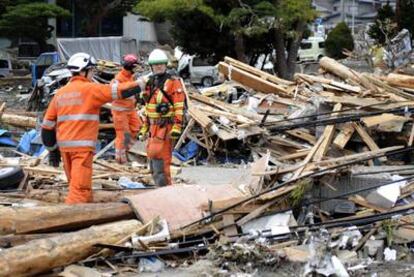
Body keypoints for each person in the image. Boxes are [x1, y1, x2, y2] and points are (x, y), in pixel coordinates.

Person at [41, 52, 145, 204]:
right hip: (81, 150)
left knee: (76, 185)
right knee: (80, 191)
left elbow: (47, 126)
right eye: (91, 71)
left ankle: (85, 216)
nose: (93, 74)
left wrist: (52, 150)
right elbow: (119, 91)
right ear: (84, 71)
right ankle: (72, 221)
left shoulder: (60, 94)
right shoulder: (90, 89)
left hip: (64, 150)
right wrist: (144, 83)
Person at [139, 49, 185, 186]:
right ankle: (160, 189)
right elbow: (148, 107)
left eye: (161, 64)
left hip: (165, 127)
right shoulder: (150, 82)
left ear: (166, 65)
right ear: (151, 66)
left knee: (161, 159)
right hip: (153, 128)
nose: (158, 66)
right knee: (153, 160)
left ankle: (166, 191)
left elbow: (179, 107)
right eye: (155, 64)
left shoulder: (173, 82)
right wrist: (144, 128)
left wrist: (177, 126)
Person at [111, 54, 143, 163]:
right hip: (120, 112)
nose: (136, 69)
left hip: (130, 110)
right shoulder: (118, 79)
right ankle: (120, 160)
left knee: (136, 128)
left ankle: (129, 152)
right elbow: (117, 94)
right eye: (135, 67)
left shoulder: (130, 77)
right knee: (123, 135)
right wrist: (136, 87)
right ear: (130, 66)